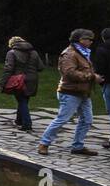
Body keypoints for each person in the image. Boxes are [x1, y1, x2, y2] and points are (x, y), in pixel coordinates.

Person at [37, 28, 101, 156]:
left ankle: (78, 146)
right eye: (88, 39)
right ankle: (44, 144)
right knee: (62, 119)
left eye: (91, 39)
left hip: (83, 92)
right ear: (79, 40)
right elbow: (69, 73)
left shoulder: (83, 53)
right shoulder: (70, 54)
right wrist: (92, 77)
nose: (91, 41)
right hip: (70, 92)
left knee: (87, 120)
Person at [0, 36, 45, 132]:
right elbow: (40, 67)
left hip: (19, 80)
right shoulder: (34, 52)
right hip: (32, 79)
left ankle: (27, 124)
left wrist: (2, 83)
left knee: (22, 101)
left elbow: (8, 69)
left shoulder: (11, 53)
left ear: (12, 44)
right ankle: (19, 120)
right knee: (24, 101)